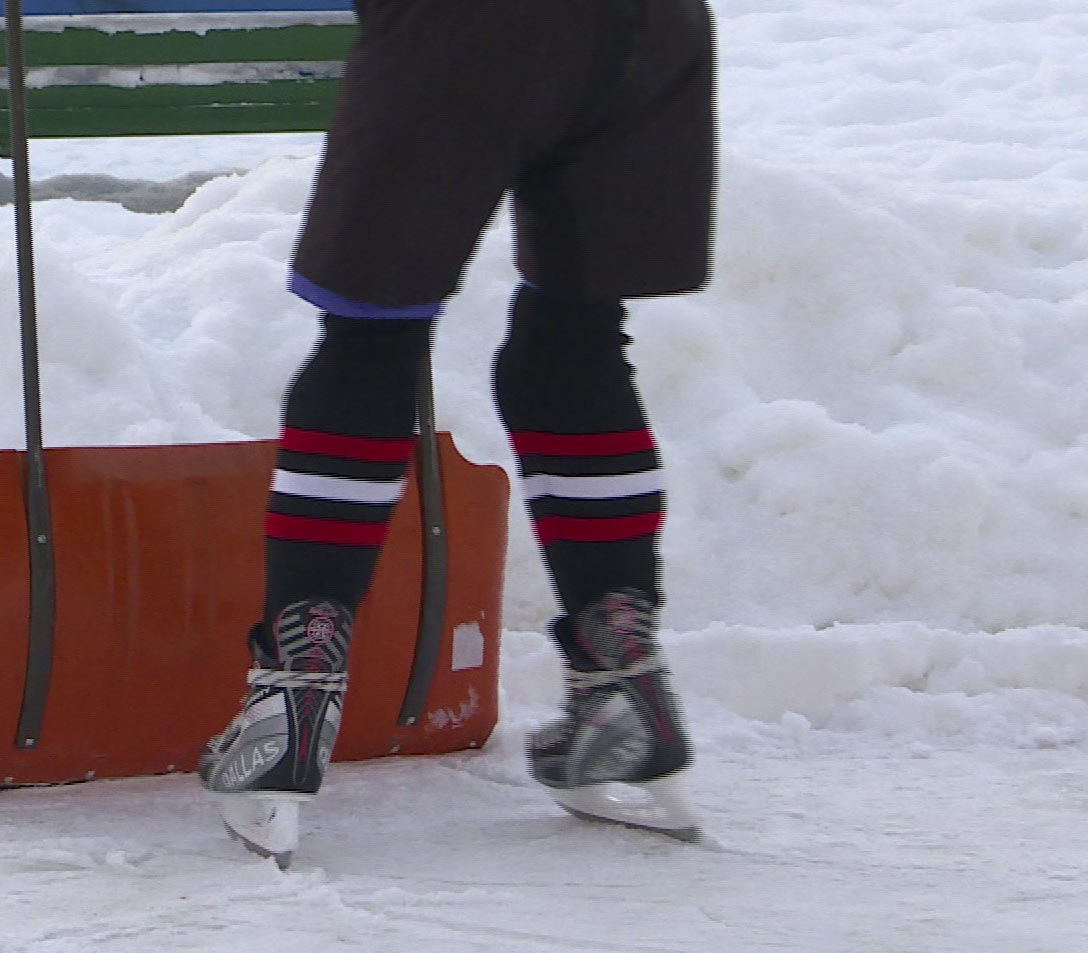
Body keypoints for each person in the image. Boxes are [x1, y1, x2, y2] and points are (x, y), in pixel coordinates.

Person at [197, 0, 718, 864]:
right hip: (649, 29)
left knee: (370, 345)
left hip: (467, 27)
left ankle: (291, 699)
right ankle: (623, 676)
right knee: (572, 347)